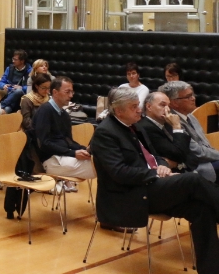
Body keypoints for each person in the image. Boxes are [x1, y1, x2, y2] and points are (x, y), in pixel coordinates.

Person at [90, 87, 219, 273]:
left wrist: (162, 165)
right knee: (192, 180)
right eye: (134, 107)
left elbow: (154, 155)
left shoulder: (135, 125)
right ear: (119, 110)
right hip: (132, 194)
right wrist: (155, 174)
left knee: (201, 209)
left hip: (152, 186)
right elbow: (119, 172)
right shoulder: (105, 133)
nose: (139, 110)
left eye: (138, 105)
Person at [32, 77, 95, 186]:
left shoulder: (64, 114)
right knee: (99, 165)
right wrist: (73, 153)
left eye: (72, 92)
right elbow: (44, 144)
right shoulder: (45, 111)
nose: (71, 96)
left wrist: (84, 150)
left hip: (63, 156)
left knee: (98, 160)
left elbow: (68, 141)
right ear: (55, 92)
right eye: (67, 92)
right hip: (51, 160)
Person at [159, 81, 219, 182]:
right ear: (174, 102)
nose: (193, 98)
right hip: (196, 166)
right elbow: (198, 152)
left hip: (207, 159)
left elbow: (205, 143)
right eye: (188, 97)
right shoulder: (172, 122)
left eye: (192, 95)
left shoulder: (190, 115)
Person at [135, 91, 198, 175]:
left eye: (169, 106)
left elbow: (191, 155)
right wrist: (177, 126)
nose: (167, 109)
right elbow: (178, 155)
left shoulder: (167, 124)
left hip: (187, 169)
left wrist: (178, 163)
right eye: (162, 105)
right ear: (149, 106)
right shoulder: (145, 127)